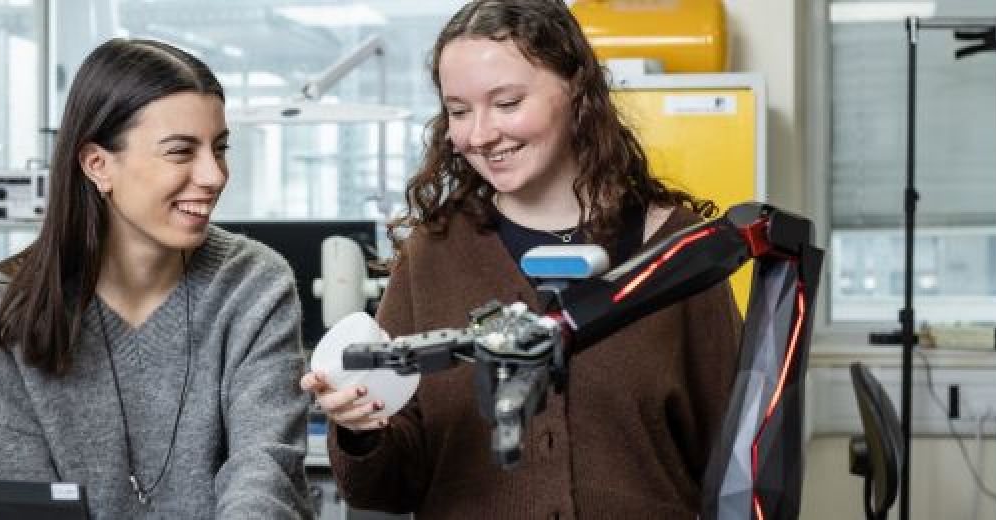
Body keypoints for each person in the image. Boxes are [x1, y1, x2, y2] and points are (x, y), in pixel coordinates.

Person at [299, 1, 743, 517]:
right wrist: (359, 429)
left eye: (507, 103)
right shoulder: (434, 256)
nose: (480, 134)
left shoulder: (679, 252)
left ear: (577, 88)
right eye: (459, 111)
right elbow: (385, 489)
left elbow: (737, 459)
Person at [0, 39, 312, 518]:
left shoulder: (252, 285)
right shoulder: (2, 313)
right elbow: (25, 503)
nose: (214, 175)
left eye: (219, 149)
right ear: (98, 165)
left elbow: (264, 471)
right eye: (181, 152)